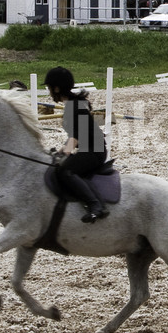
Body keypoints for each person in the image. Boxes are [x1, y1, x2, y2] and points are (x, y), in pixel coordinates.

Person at [44, 66, 111, 222]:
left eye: (49, 88)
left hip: (94, 151)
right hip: (88, 149)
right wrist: (59, 151)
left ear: (57, 88)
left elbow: (76, 136)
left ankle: (96, 205)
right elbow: (74, 135)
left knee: (65, 171)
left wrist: (65, 154)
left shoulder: (73, 106)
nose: (49, 92)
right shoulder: (73, 104)